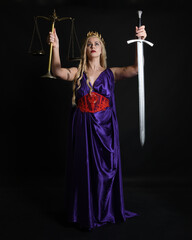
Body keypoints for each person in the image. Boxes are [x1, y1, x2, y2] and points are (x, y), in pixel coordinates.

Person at [47, 25, 147, 230]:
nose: (93, 46)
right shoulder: (77, 73)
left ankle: (104, 210)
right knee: (84, 170)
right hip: (83, 128)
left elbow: (136, 70)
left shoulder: (111, 73)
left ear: (102, 49)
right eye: (89, 44)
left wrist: (140, 43)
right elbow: (57, 72)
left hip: (105, 130)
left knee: (104, 172)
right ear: (85, 49)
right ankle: (85, 211)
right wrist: (55, 46)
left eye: (97, 44)